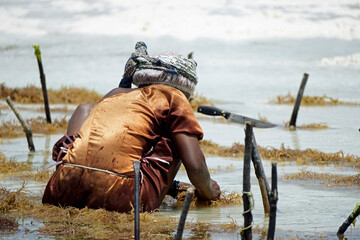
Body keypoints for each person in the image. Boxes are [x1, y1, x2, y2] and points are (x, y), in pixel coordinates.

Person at [42, 42, 221, 212]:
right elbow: (196, 166)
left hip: (60, 190)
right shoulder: (174, 97)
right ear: (184, 88)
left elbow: (110, 145)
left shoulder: (115, 94)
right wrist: (208, 191)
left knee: (92, 118)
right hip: (124, 199)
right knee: (179, 137)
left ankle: (73, 175)